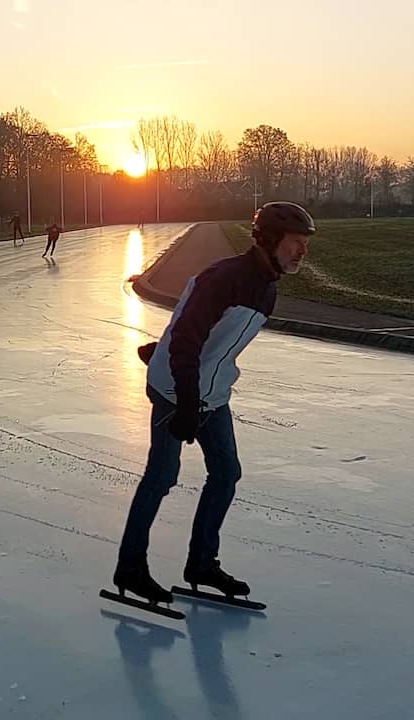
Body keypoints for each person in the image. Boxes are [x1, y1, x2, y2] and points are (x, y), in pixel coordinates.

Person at [111, 201, 316, 607]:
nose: (302, 252)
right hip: (177, 390)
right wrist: (186, 402)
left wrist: (188, 377)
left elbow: (215, 342)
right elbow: (186, 338)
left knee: (226, 473)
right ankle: (130, 568)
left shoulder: (266, 289)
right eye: (296, 243)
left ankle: (202, 564)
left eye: (304, 244)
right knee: (162, 475)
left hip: (211, 393)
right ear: (271, 240)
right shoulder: (223, 279)